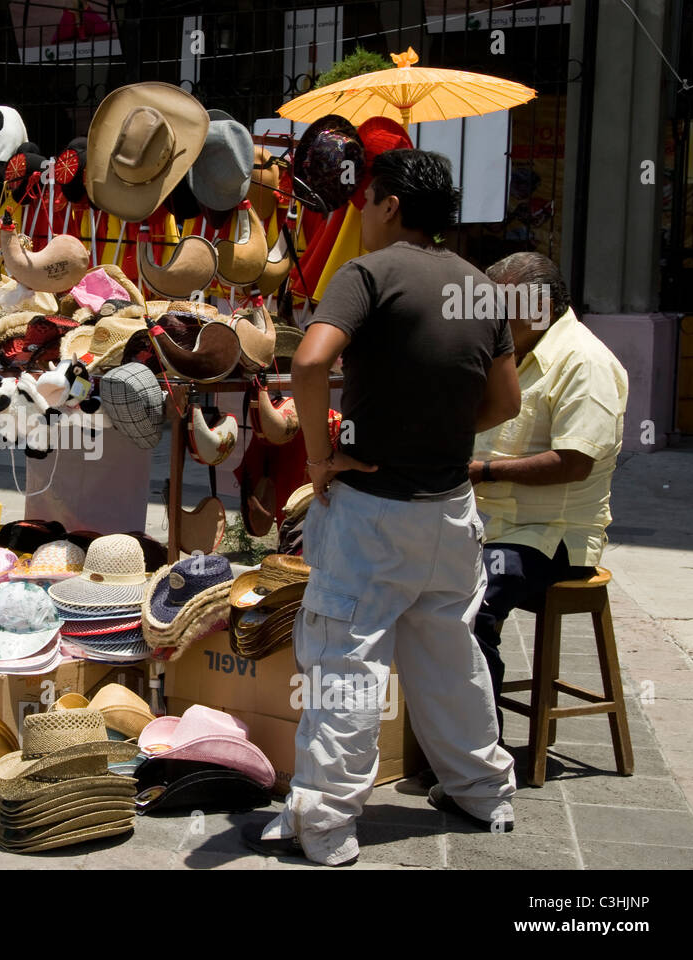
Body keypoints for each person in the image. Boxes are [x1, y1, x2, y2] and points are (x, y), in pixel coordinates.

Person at [241, 149, 522, 866]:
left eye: (365, 201)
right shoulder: (480, 287)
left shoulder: (368, 275)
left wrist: (319, 454)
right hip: (451, 511)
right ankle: (484, 792)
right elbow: (504, 402)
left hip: (373, 514)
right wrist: (441, 434)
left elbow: (308, 361)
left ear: (390, 203)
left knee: (344, 662)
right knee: (448, 655)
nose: (359, 214)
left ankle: (327, 828)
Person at [469, 252, 628, 729]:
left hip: (549, 537)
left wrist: (485, 471)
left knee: (469, 609)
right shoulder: (508, 352)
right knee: (408, 584)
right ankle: (432, 740)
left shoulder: (586, 361)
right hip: (488, 523)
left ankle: (478, 753)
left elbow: (575, 462)